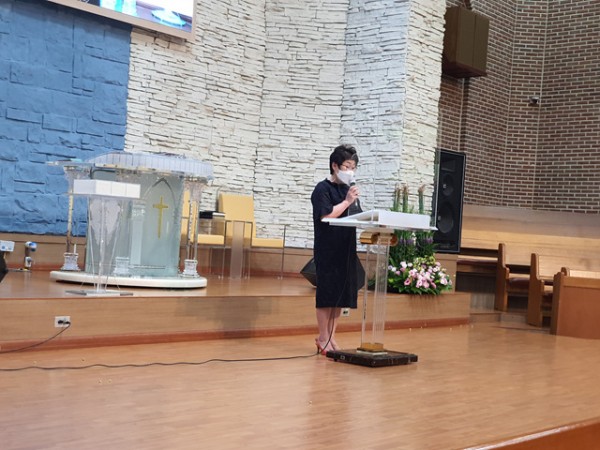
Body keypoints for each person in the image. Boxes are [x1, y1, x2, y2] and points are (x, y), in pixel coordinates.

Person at [311, 144, 362, 355]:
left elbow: (357, 215)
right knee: (327, 294)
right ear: (335, 165)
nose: (350, 171)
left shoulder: (348, 190)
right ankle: (323, 337)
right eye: (346, 166)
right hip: (328, 249)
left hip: (346, 248)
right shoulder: (322, 189)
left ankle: (332, 336)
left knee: (340, 296)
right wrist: (347, 201)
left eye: (353, 167)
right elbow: (326, 215)